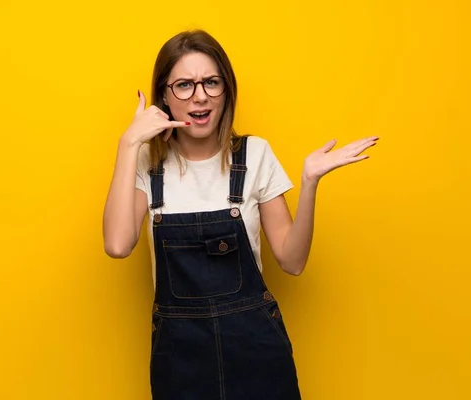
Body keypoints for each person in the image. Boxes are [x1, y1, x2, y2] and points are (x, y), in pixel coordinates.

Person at [102, 29, 378, 400]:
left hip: (256, 353)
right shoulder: (147, 164)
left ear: (226, 89)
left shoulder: (255, 155)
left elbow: (293, 261)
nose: (200, 96)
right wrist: (129, 142)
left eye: (211, 82)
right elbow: (118, 244)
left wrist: (309, 182)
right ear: (164, 96)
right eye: (184, 85)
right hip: (179, 360)